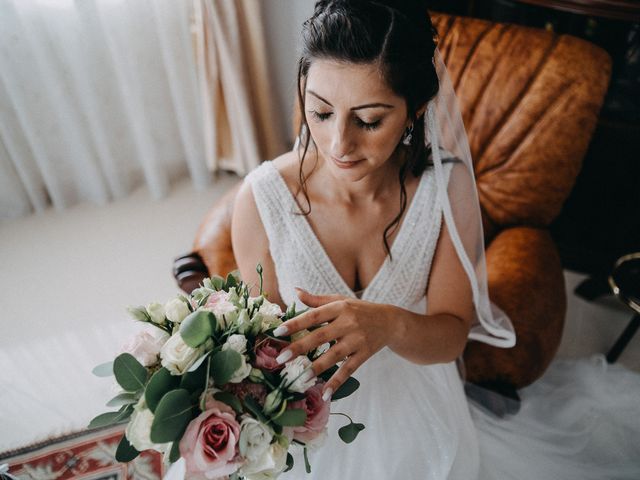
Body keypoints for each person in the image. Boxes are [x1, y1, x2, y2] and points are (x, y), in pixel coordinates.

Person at [167, 1, 640, 478]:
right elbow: (265, 348)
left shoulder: (446, 190)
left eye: (369, 120)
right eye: (321, 112)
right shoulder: (261, 199)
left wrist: (388, 325)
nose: (339, 145)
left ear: (414, 111)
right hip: (307, 418)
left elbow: (453, 335)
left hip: (421, 402)